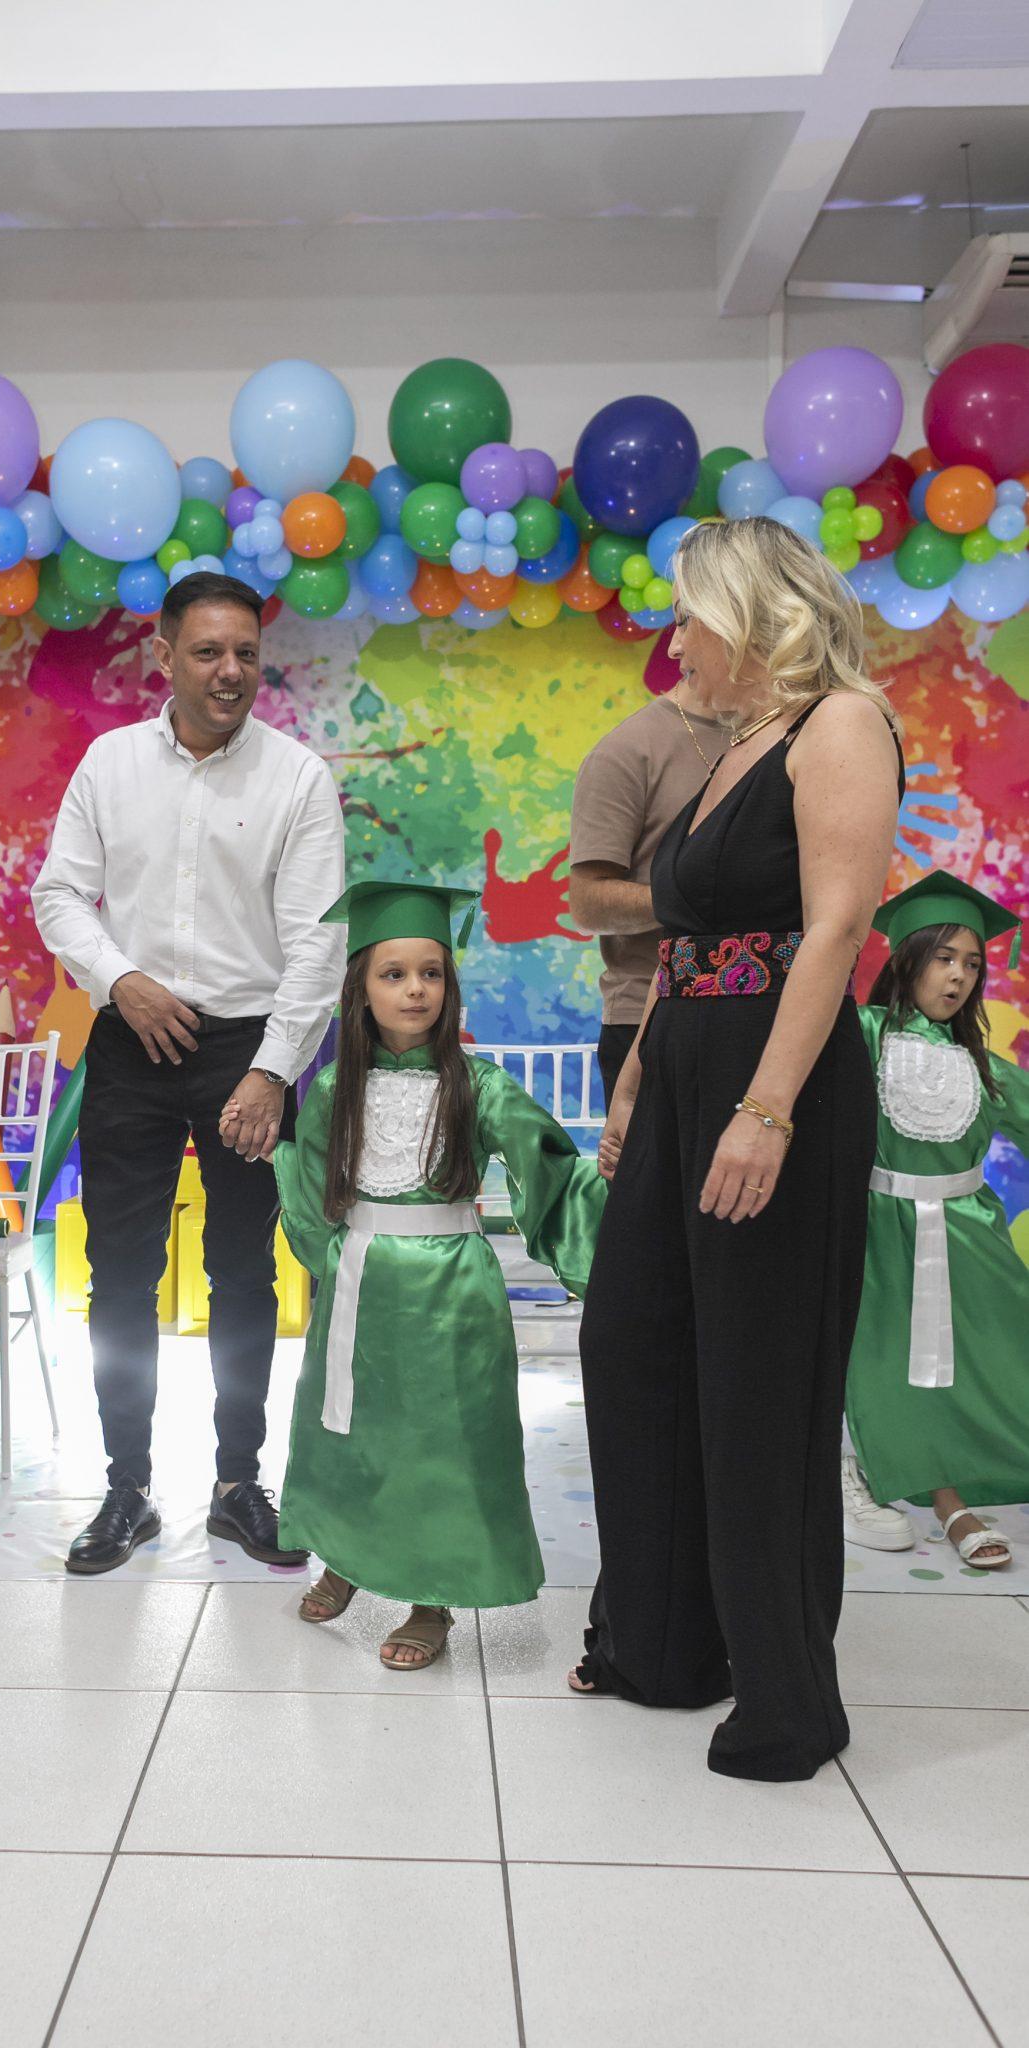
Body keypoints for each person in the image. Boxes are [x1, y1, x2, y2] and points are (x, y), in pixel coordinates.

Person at [571, 518, 903, 1782]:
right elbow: (688, 940)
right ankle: (664, 1645)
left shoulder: (841, 722)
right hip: (684, 1065)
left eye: (688, 618)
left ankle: (785, 1699)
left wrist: (766, 1109)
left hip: (779, 1075)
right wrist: (639, 1079)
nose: (675, 644)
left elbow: (834, 927)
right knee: (634, 1342)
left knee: (757, 1382)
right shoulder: (733, 747)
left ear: (755, 615)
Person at [32, 571, 345, 1575]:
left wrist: (270, 1073)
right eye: (208, 651)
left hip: (246, 1051)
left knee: (244, 1272)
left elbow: (318, 944)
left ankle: (236, 1484)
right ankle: (126, 1486)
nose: (229, 671)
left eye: (245, 652)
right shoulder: (111, 763)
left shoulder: (297, 777)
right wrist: (120, 981)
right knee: (119, 1272)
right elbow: (58, 894)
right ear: (164, 655)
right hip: (130, 1037)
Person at [249, 879, 605, 1670]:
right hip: (361, 1284)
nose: (415, 989)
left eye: (431, 973)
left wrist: (615, 1185)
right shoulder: (334, 1088)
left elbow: (547, 1164)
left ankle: (430, 1598)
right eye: (394, 974)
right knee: (350, 1431)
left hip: (453, 1293)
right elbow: (311, 1187)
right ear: (360, 991)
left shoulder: (479, 1085)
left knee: (442, 1443)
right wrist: (334, 1254)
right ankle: (347, 1557)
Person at [841, 873, 1028, 1569]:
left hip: (970, 1238)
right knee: (889, 1369)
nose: (958, 976)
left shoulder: (986, 1069)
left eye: (972, 964)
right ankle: (929, 1496)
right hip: (878, 1233)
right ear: (907, 958)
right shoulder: (862, 1035)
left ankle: (957, 1493)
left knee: (991, 1367)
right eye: (944, 957)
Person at [569, 664, 727, 1104]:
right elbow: (587, 903)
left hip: (761, 1010)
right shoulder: (626, 750)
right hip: (647, 1016)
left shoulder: (783, 735)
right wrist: (697, 899)